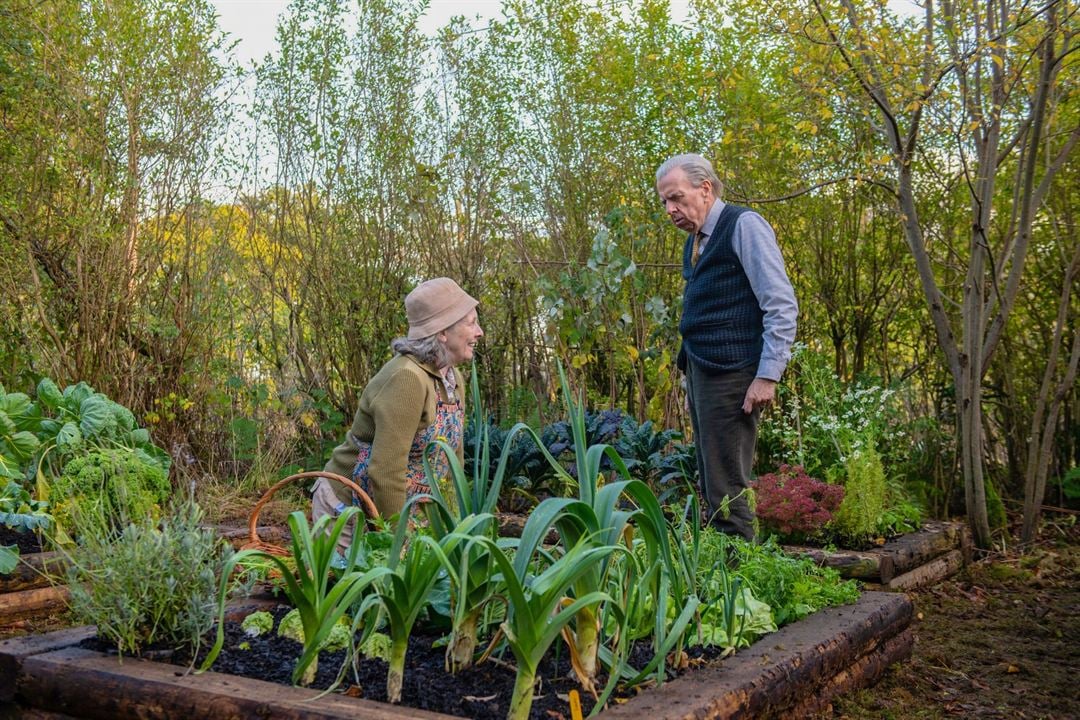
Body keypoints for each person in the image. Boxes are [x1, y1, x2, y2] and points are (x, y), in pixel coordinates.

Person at [655, 153, 797, 541]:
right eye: (665, 202)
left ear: (705, 188)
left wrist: (767, 375)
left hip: (734, 371)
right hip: (704, 370)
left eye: (677, 198)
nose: (671, 209)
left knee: (728, 482)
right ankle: (722, 571)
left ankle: (738, 580)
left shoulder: (743, 226)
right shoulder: (696, 240)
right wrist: (692, 382)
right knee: (711, 476)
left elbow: (780, 303)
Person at [311, 277, 484, 550]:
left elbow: (452, 462)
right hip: (350, 510)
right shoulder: (407, 379)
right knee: (354, 590)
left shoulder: (452, 378)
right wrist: (398, 544)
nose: (479, 332)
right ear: (442, 332)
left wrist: (451, 524)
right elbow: (386, 470)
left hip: (404, 511)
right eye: (471, 323)